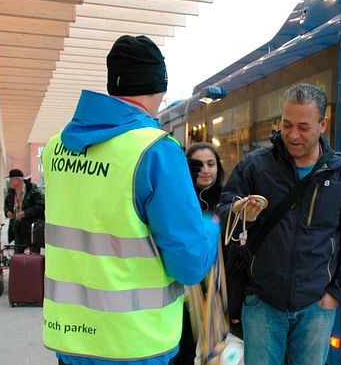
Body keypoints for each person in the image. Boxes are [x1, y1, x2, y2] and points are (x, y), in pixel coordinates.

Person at [40, 35, 220, 365]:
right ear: (159, 87)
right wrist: (211, 228)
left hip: (71, 339)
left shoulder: (56, 147)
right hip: (133, 344)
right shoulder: (156, 151)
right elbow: (190, 264)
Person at [216, 83, 341, 365]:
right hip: (262, 303)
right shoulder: (255, 166)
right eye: (286, 125)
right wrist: (239, 212)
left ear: (323, 124)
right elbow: (222, 211)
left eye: (303, 126)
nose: (292, 135)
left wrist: (336, 293)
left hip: (317, 306)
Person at [174, 142, 225, 365]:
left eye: (211, 164)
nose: (205, 170)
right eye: (198, 165)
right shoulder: (177, 201)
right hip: (184, 300)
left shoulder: (229, 201)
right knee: (184, 354)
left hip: (218, 298)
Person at [3, 169, 45, 254]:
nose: (9, 182)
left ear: (17, 180)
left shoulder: (33, 190)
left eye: (10, 180)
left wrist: (25, 213)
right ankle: (19, 266)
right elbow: (6, 205)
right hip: (17, 226)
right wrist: (7, 211)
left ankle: (33, 267)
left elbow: (41, 206)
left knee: (33, 254)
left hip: (31, 228)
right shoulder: (11, 192)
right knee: (18, 252)